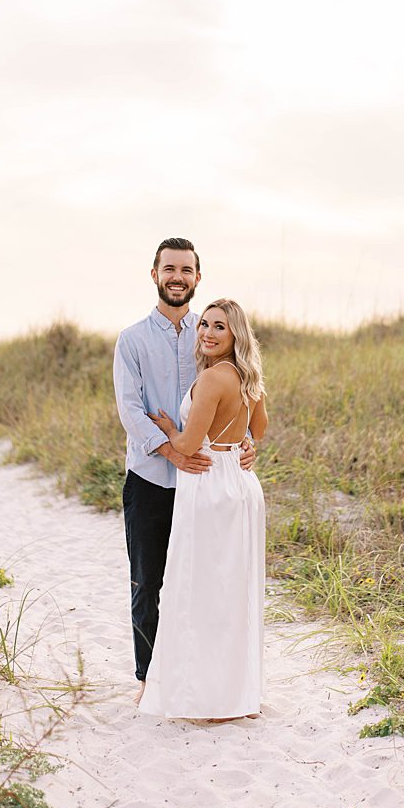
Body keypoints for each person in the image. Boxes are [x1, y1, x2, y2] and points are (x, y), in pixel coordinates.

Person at [112, 238, 256, 702]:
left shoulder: (212, 332)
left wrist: (244, 445)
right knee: (147, 581)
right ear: (154, 274)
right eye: (169, 268)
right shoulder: (131, 340)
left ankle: (196, 680)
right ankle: (147, 680)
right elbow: (131, 411)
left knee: (200, 581)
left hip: (206, 484)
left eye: (186, 270)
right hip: (151, 479)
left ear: (198, 277)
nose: (177, 277)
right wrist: (172, 452)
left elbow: (238, 398)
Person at [139, 297, 269, 720]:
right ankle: (236, 694)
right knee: (233, 590)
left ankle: (210, 698)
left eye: (219, 328)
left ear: (235, 335)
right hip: (241, 482)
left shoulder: (213, 379)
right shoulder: (249, 376)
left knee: (204, 590)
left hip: (211, 483)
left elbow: (188, 446)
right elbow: (260, 429)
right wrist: (243, 444)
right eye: (205, 325)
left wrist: (166, 428)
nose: (208, 333)